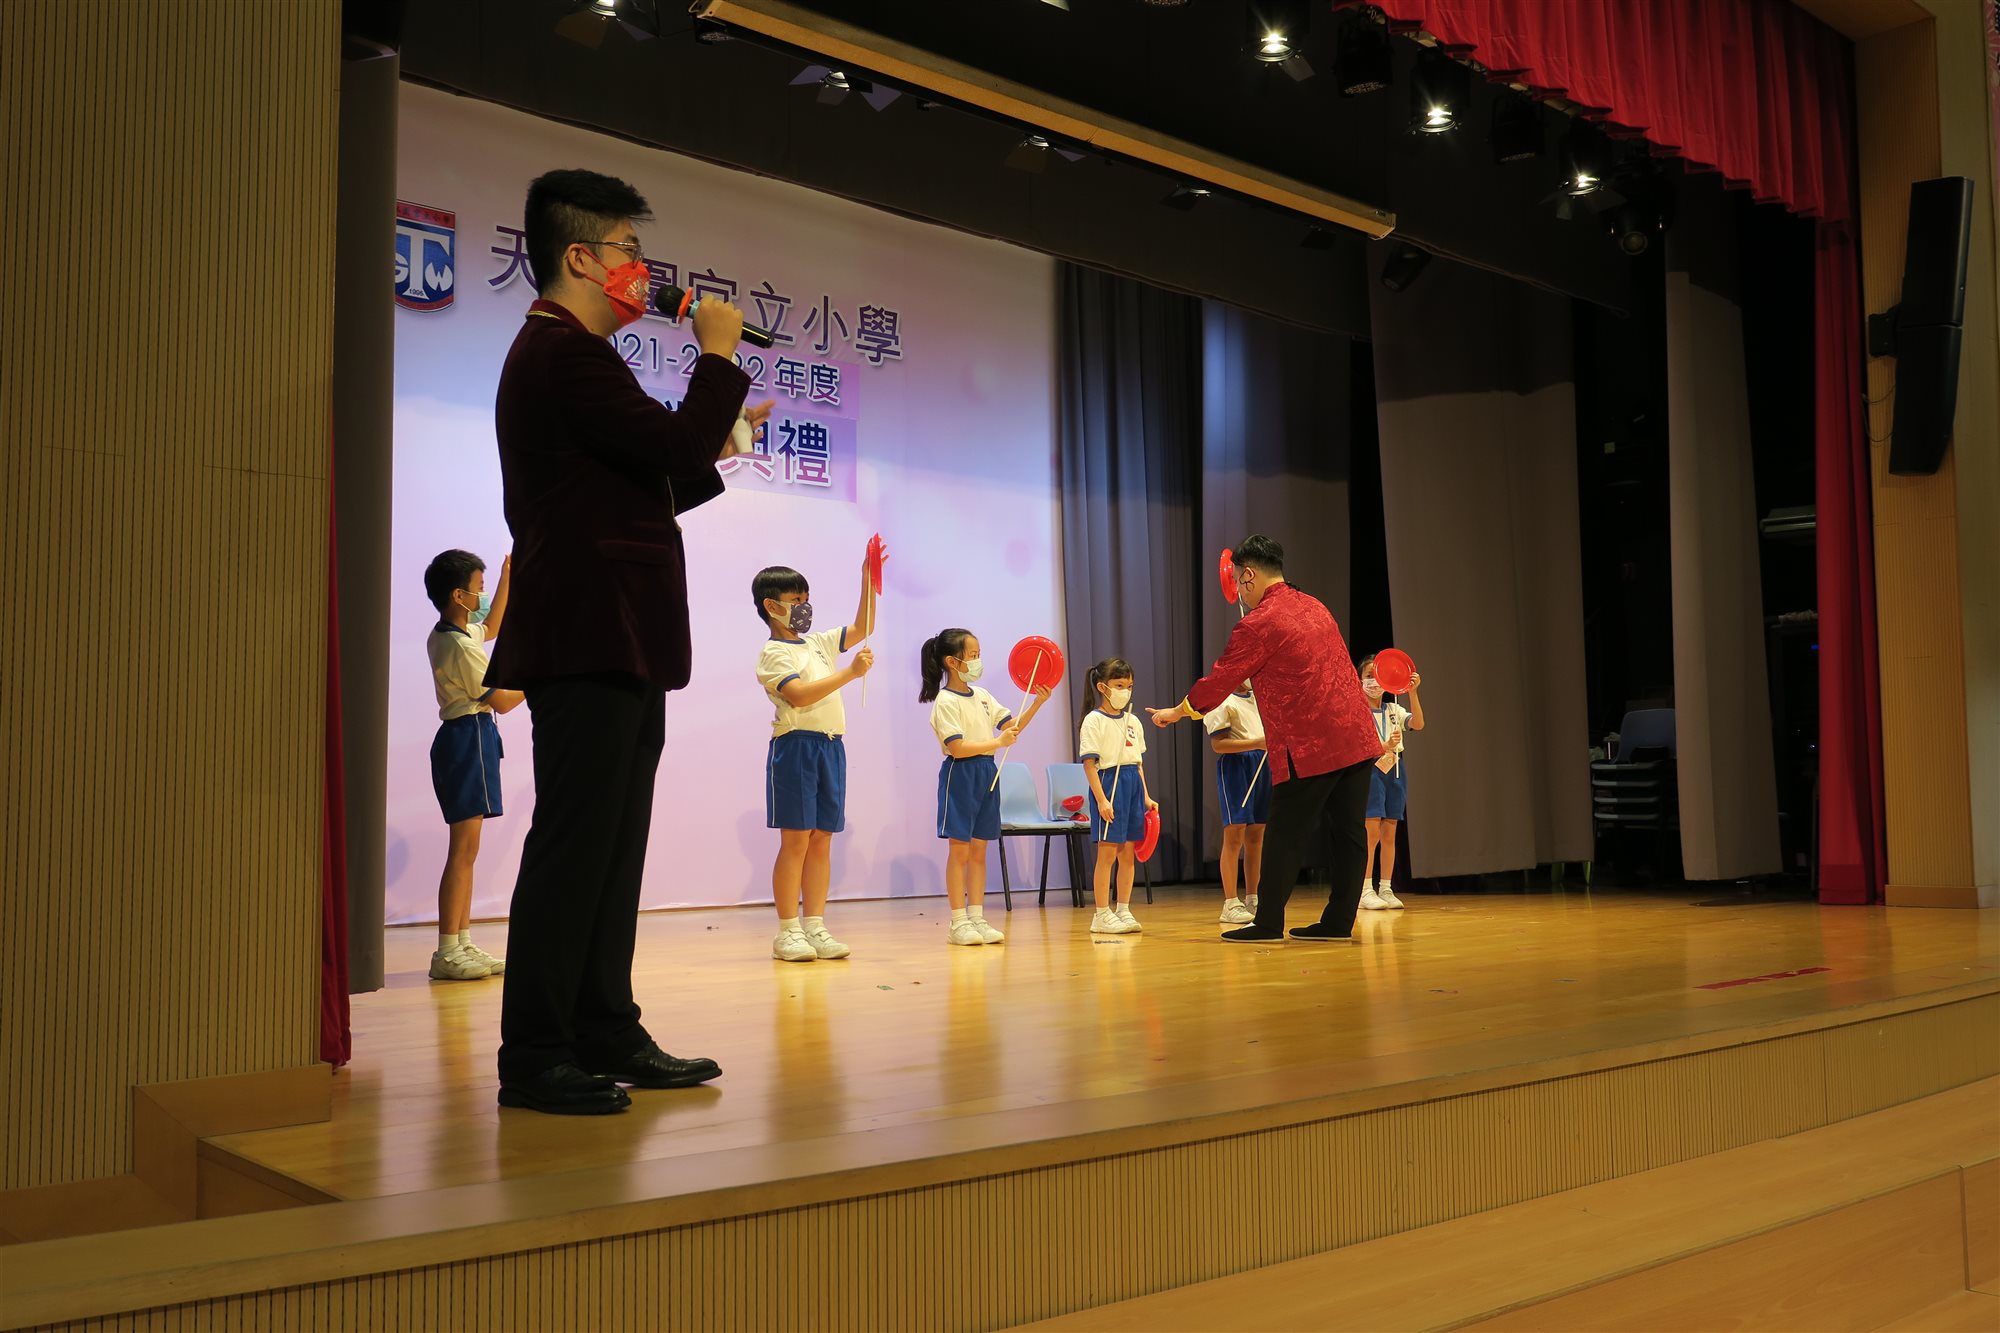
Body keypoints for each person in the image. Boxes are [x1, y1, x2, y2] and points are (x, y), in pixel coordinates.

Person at [484, 168, 769, 1116]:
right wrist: (716, 357)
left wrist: (721, 435)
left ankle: (603, 1025)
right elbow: (671, 451)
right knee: (576, 844)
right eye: (629, 251)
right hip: (587, 632)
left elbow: (653, 478)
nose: (644, 270)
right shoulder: (561, 353)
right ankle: (535, 1052)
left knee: (611, 845)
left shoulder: (575, 359)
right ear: (581, 257)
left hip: (618, 633)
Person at [1147, 535, 1389, 942]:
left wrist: (1180, 711)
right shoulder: (1315, 605)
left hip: (1310, 744)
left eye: (1238, 583)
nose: (1239, 594)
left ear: (1248, 575)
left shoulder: (1259, 623)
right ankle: (1337, 924)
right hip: (1356, 736)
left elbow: (1222, 678)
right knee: (1349, 833)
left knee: (1283, 834)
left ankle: (1268, 923)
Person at [753, 545, 881, 963]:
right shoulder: (773, 653)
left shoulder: (819, 643)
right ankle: (787, 931)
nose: (804, 606)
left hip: (831, 746)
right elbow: (799, 695)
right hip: (796, 748)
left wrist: (868, 578)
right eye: (796, 600)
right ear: (772, 606)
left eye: (806, 599)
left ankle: (815, 925)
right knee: (796, 840)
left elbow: (863, 626)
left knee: (822, 838)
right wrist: (850, 673)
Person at [422, 549, 524, 981]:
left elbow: (493, 625)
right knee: (463, 851)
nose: (482, 596)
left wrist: (506, 577)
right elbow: (502, 700)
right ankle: (447, 950)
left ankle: (461, 942)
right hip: (467, 739)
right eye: (478, 589)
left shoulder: (451, 634)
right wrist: (541, 676)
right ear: (458, 596)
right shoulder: (459, 646)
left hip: (468, 738)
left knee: (468, 851)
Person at [919, 629, 1053, 946]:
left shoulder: (982, 695)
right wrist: (997, 742)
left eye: (979, 654)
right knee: (960, 850)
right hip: (961, 774)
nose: (978, 660)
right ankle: (958, 922)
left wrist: (1037, 702)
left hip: (987, 772)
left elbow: (1011, 727)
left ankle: (977, 917)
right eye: (973, 655)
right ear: (952, 661)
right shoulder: (945, 701)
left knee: (980, 850)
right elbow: (957, 747)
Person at [1078, 658, 1156, 934]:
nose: (1126, 691)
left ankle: (1123, 909)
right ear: (1103, 687)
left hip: (1132, 783)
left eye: (1129, 686)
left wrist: (1146, 796)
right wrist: (1101, 800)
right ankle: (1101, 914)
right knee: (1107, 854)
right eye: (1119, 685)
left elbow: (1137, 763)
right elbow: (1089, 765)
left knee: (1127, 854)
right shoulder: (1093, 720)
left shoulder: (1133, 720)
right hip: (1109, 784)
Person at [1358, 655, 1426, 911]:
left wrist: (1413, 693)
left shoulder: (1393, 709)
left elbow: (1418, 723)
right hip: (1371, 769)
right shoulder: (1357, 711)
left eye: (1377, 676)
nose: (1374, 681)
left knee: (1390, 831)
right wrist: (1383, 745)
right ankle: (1365, 889)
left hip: (1395, 769)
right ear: (1359, 680)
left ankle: (1385, 887)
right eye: (1368, 676)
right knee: (1371, 831)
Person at [1204, 681, 1270, 925]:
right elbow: (1218, 744)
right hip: (1237, 766)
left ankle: (1253, 898)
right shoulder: (1221, 700)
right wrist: (1256, 743)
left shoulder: (1260, 697)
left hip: (1263, 763)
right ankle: (1230, 903)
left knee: (1257, 836)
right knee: (1234, 834)